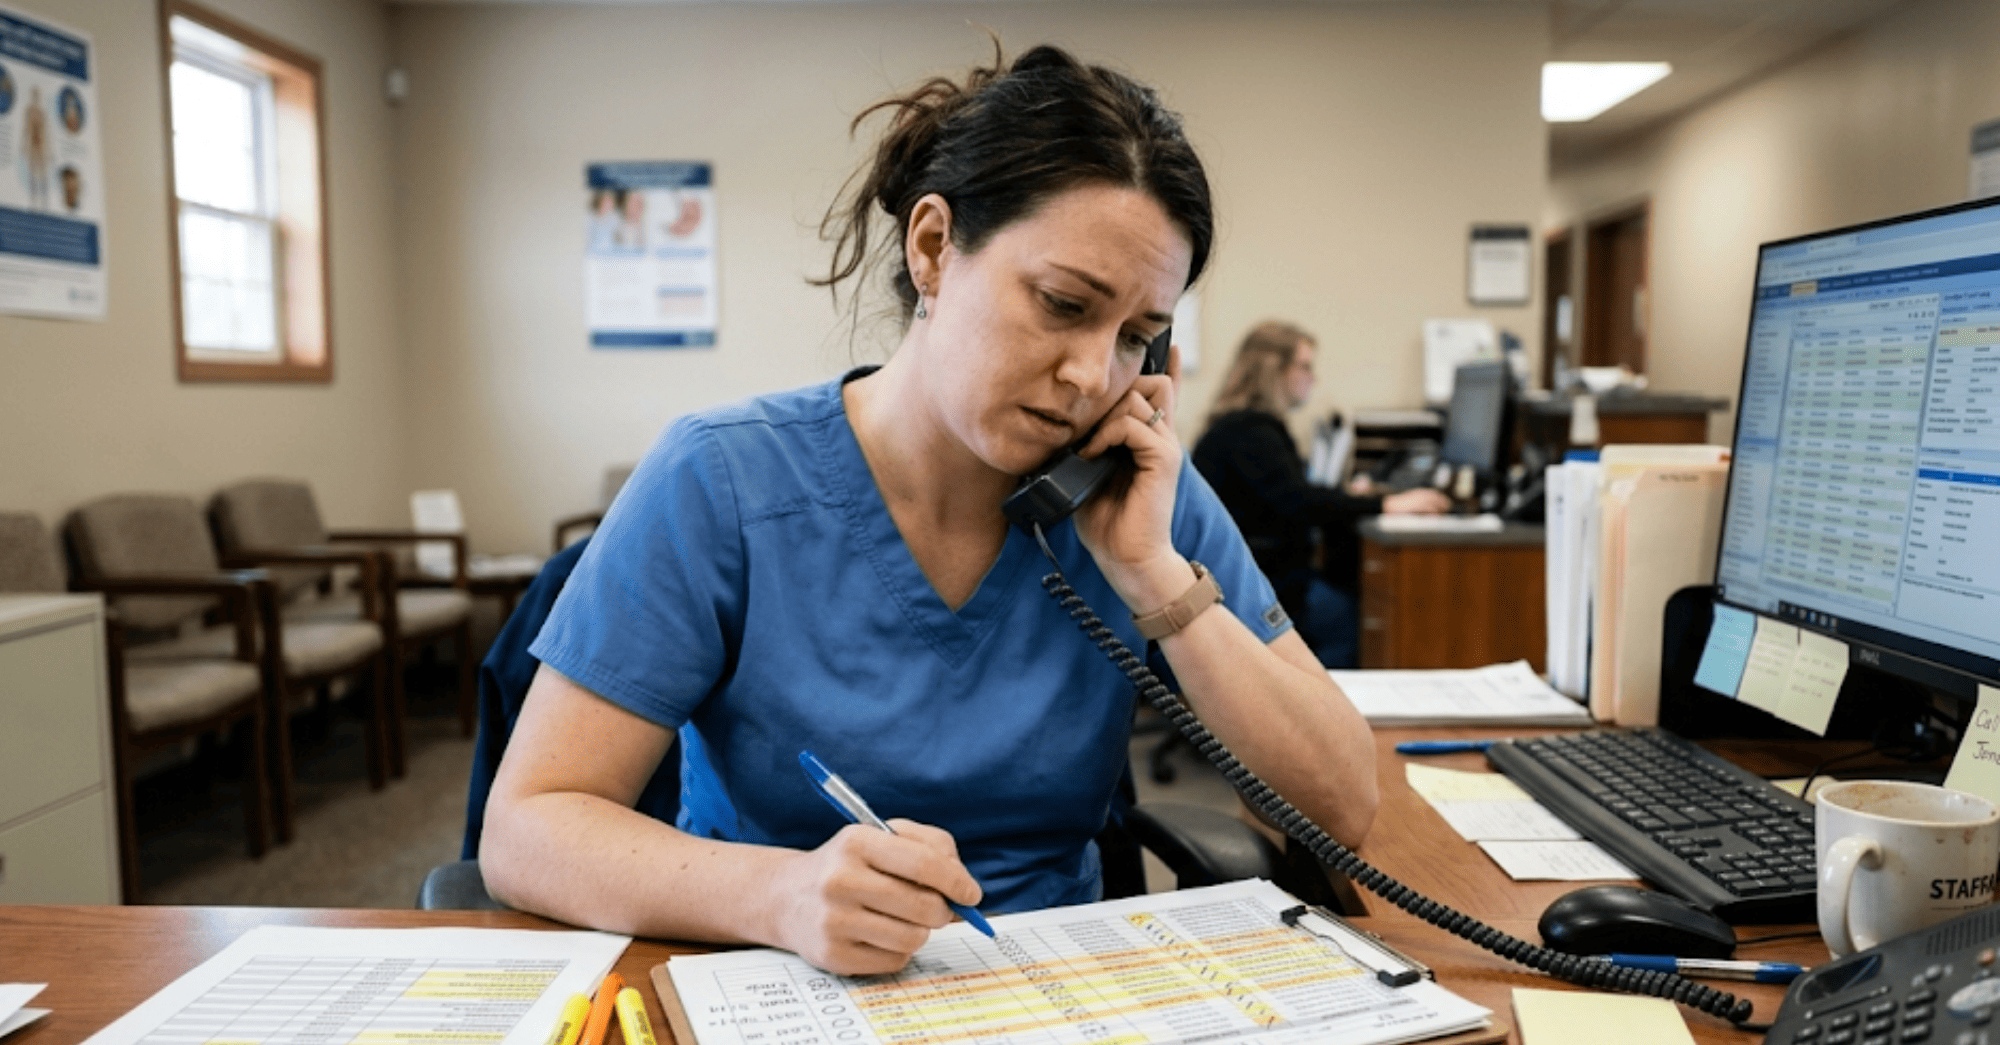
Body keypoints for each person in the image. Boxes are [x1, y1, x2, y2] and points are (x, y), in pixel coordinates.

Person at [481, 44, 1378, 977]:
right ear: (934, 248)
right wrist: (780, 894)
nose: (1090, 375)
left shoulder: (1137, 492)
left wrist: (1154, 577)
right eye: (1064, 304)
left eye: (1135, 339)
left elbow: (1341, 807)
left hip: (1054, 987)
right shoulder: (724, 479)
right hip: (778, 974)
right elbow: (527, 826)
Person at [1193, 322, 1451, 668]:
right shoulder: (1251, 431)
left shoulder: (1241, 426)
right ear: (1276, 370)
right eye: (1305, 366)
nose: (1312, 377)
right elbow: (1299, 501)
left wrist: (1354, 497)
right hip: (1258, 588)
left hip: (1249, 578)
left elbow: (1290, 493)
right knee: (1353, 620)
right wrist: (1388, 503)